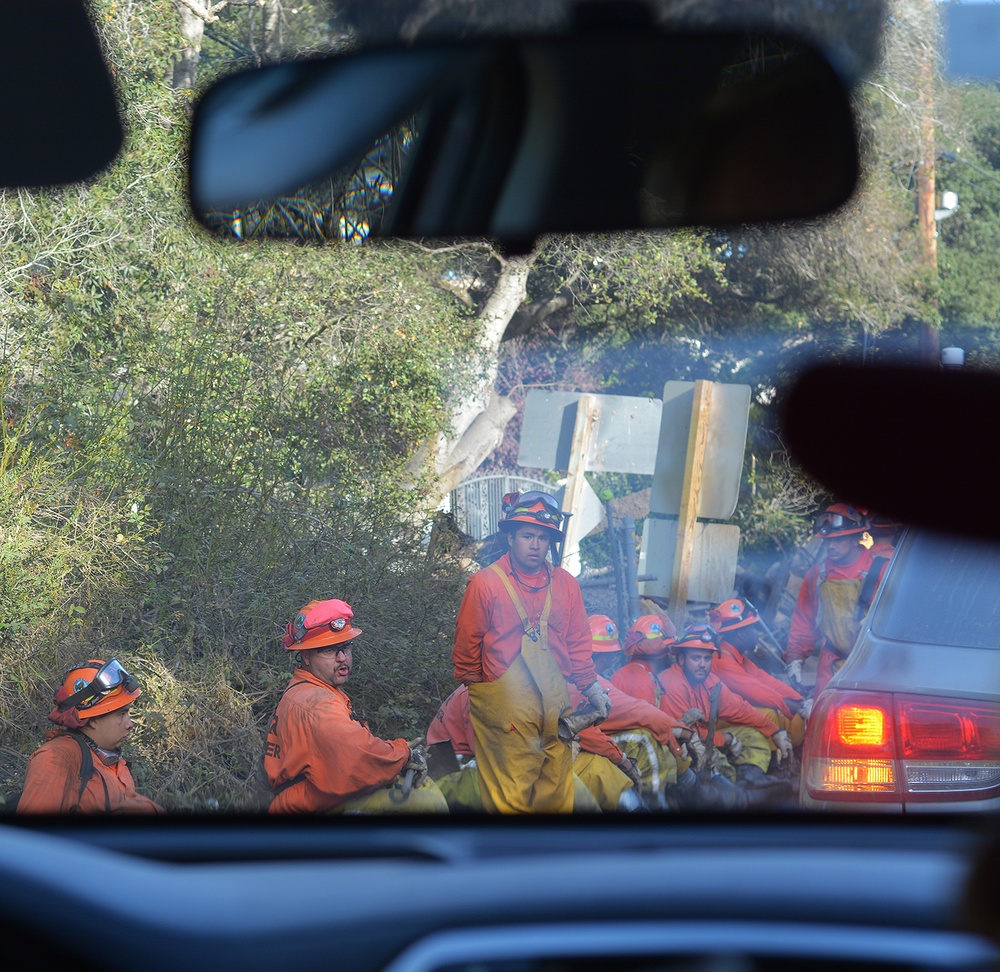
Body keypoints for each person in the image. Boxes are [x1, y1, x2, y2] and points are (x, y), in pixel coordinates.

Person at [452, 490, 612, 813]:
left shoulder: (566, 584)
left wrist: (591, 687)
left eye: (542, 537)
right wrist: (491, 701)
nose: (536, 545)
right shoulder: (485, 584)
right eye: (527, 535)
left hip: (557, 708)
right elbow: (466, 656)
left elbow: (579, 644)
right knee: (508, 802)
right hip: (505, 710)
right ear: (509, 537)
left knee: (556, 797)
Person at [264, 598, 447, 813]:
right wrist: (402, 753)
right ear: (306, 656)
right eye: (329, 650)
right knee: (426, 805)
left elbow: (353, 746)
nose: (342, 658)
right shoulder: (316, 703)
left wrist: (397, 753)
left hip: (320, 796)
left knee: (426, 787)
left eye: (345, 648)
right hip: (311, 805)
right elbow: (356, 757)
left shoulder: (316, 691)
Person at [18, 658, 164, 814]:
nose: (130, 724)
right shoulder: (58, 757)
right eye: (121, 714)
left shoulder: (110, 759)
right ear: (93, 719)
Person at [659, 624, 793, 786]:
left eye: (707, 658)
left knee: (753, 737)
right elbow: (688, 734)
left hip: (705, 737)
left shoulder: (709, 680)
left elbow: (739, 708)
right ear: (681, 659)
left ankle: (748, 784)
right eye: (696, 658)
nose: (702, 664)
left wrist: (775, 731)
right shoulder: (672, 684)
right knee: (715, 768)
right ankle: (733, 792)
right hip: (682, 749)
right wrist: (726, 739)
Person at [784, 503, 891, 697]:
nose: (830, 546)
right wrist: (795, 658)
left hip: (873, 663)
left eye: (838, 540)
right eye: (827, 541)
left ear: (855, 538)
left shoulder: (881, 570)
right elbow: (803, 620)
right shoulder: (818, 575)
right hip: (831, 663)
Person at [709, 598, 807, 748]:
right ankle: (773, 761)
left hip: (728, 715)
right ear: (741, 634)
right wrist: (798, 707)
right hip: (713, 724)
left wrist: (801, 701)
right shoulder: (722, 661)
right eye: (754, 628)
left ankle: (788, 758)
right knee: (770, 713)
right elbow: (759, 692)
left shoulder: (736, 655)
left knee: (791, 716)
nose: (758, 634)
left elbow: (767, 681)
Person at [610, 613, 677, 708]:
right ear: (663, 652)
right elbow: (647, 721)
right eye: (669, 649)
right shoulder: (641, 681)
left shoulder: (629, 673)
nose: (672, 655)